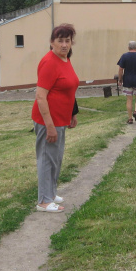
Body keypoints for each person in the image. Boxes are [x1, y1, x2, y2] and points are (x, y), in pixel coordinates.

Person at [32, 24, 79, 213]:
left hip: (61, 119)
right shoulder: (50, 62)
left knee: (55, 158)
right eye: (60, 41)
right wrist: (49, 126)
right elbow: (40, 96)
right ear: (52, 42)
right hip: (48, 120)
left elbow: (69, 87)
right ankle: (43, 201)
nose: (64, 45)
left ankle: (50, 193)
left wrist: (72, 113)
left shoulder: (65, 60)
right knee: (46, 158)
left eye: (67, 41)